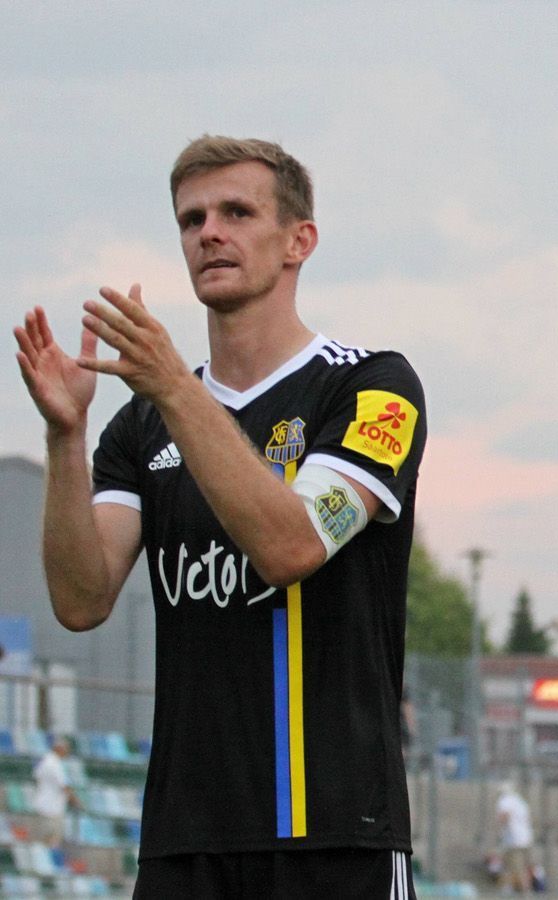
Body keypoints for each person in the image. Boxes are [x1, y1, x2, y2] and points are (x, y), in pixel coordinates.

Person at [13, 136, 426, 898]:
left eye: (237, 211)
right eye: (192, 218)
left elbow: (293, 545)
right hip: (184, 843)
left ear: (299, 239)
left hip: (334, 837)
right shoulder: (139, 427)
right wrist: (65, 436)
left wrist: (175, 386)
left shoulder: (373, 389)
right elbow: (80, 598)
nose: (210, 232)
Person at [32, 736, 79, 853]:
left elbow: (36, 777)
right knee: (52, 841)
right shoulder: (55, 764)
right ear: (59, 749)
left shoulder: (44, 761)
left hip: (42, 805)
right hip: (53, 808)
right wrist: (76, 801)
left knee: (42, 841)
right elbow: (64, 786)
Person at [495, 781, 535, 895]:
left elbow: (504, 816)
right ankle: (519, 888)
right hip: (526, 837)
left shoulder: (505, 800)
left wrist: (500, 830)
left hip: (514, 839)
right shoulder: (520, 801)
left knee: (516, 867)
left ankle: (524, 891)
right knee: (524, 866)